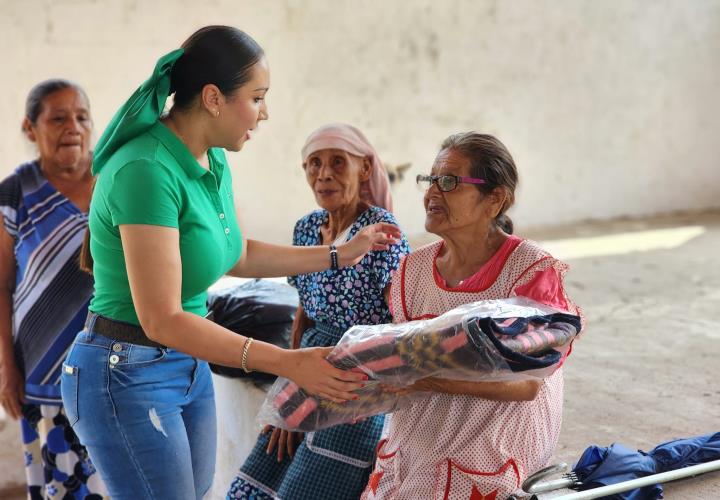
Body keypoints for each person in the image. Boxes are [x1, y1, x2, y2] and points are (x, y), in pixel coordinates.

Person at [59, 26, 400, 500]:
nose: (265, 113)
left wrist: (339, 253)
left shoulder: (211, 160)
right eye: (257, 97)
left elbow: (236, 253)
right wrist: (288, 362)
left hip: (186, 362)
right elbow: (162, 318)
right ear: (214, 98)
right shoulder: (146, 170)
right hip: (125, 371)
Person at [361, 132, 584, 500]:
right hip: (414, 435)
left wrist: (427, 380)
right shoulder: (412, 271)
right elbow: (404, 357)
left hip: (491, 440)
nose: (432, 193)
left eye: (448, 182)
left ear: (494, 199)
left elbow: (527, 385)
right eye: (430, 180)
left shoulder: (529, 272)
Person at [227, 123, 411, 500]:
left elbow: (402, 321)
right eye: (313, 164)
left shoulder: (381, 233)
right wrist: (290, 397)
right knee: (256, 481)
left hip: (360, 383)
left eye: (337, 162)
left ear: (364, 169)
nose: (323, 174)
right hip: (309, 368)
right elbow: (303, 314)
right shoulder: (308, 229)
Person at [0, 80, 107, 499]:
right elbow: (2, 284)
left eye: (81, 117)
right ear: (31, 128)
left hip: (109, 366)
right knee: (54, 488)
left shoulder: (113, 182)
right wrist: (7, 369)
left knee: (111, 483)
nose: (73, 128)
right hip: (40, 372)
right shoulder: (15, 193)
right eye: (58, 118)